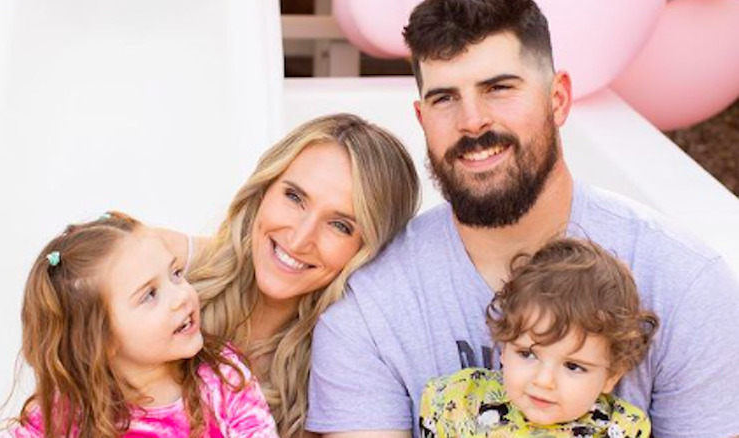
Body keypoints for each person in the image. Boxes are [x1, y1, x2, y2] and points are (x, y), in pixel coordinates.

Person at [306, 1, 739, 437]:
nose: (472, 122)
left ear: (558, 100)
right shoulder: (370, 310)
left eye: (498, 88)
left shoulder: (684, 285)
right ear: (422, 118)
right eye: (445, 98)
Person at [160, 113, 421, 438]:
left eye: (340, 225)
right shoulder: (169, 284)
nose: (299, 239)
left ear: (370, 250)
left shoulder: (351, 372)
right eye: (294, 197)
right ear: (263, 189)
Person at [0, 212, 278, 438]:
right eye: (149, 295)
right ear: (100, 339)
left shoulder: (223, 377)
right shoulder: (58, 417)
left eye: (176, 273)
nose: (181, 296)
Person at [419, 238, 659, 438]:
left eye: (573, 366)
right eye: (527, 354)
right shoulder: (460, 402)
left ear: (611, 375)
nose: (544, 381)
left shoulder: (620, 430)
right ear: (504, 347)